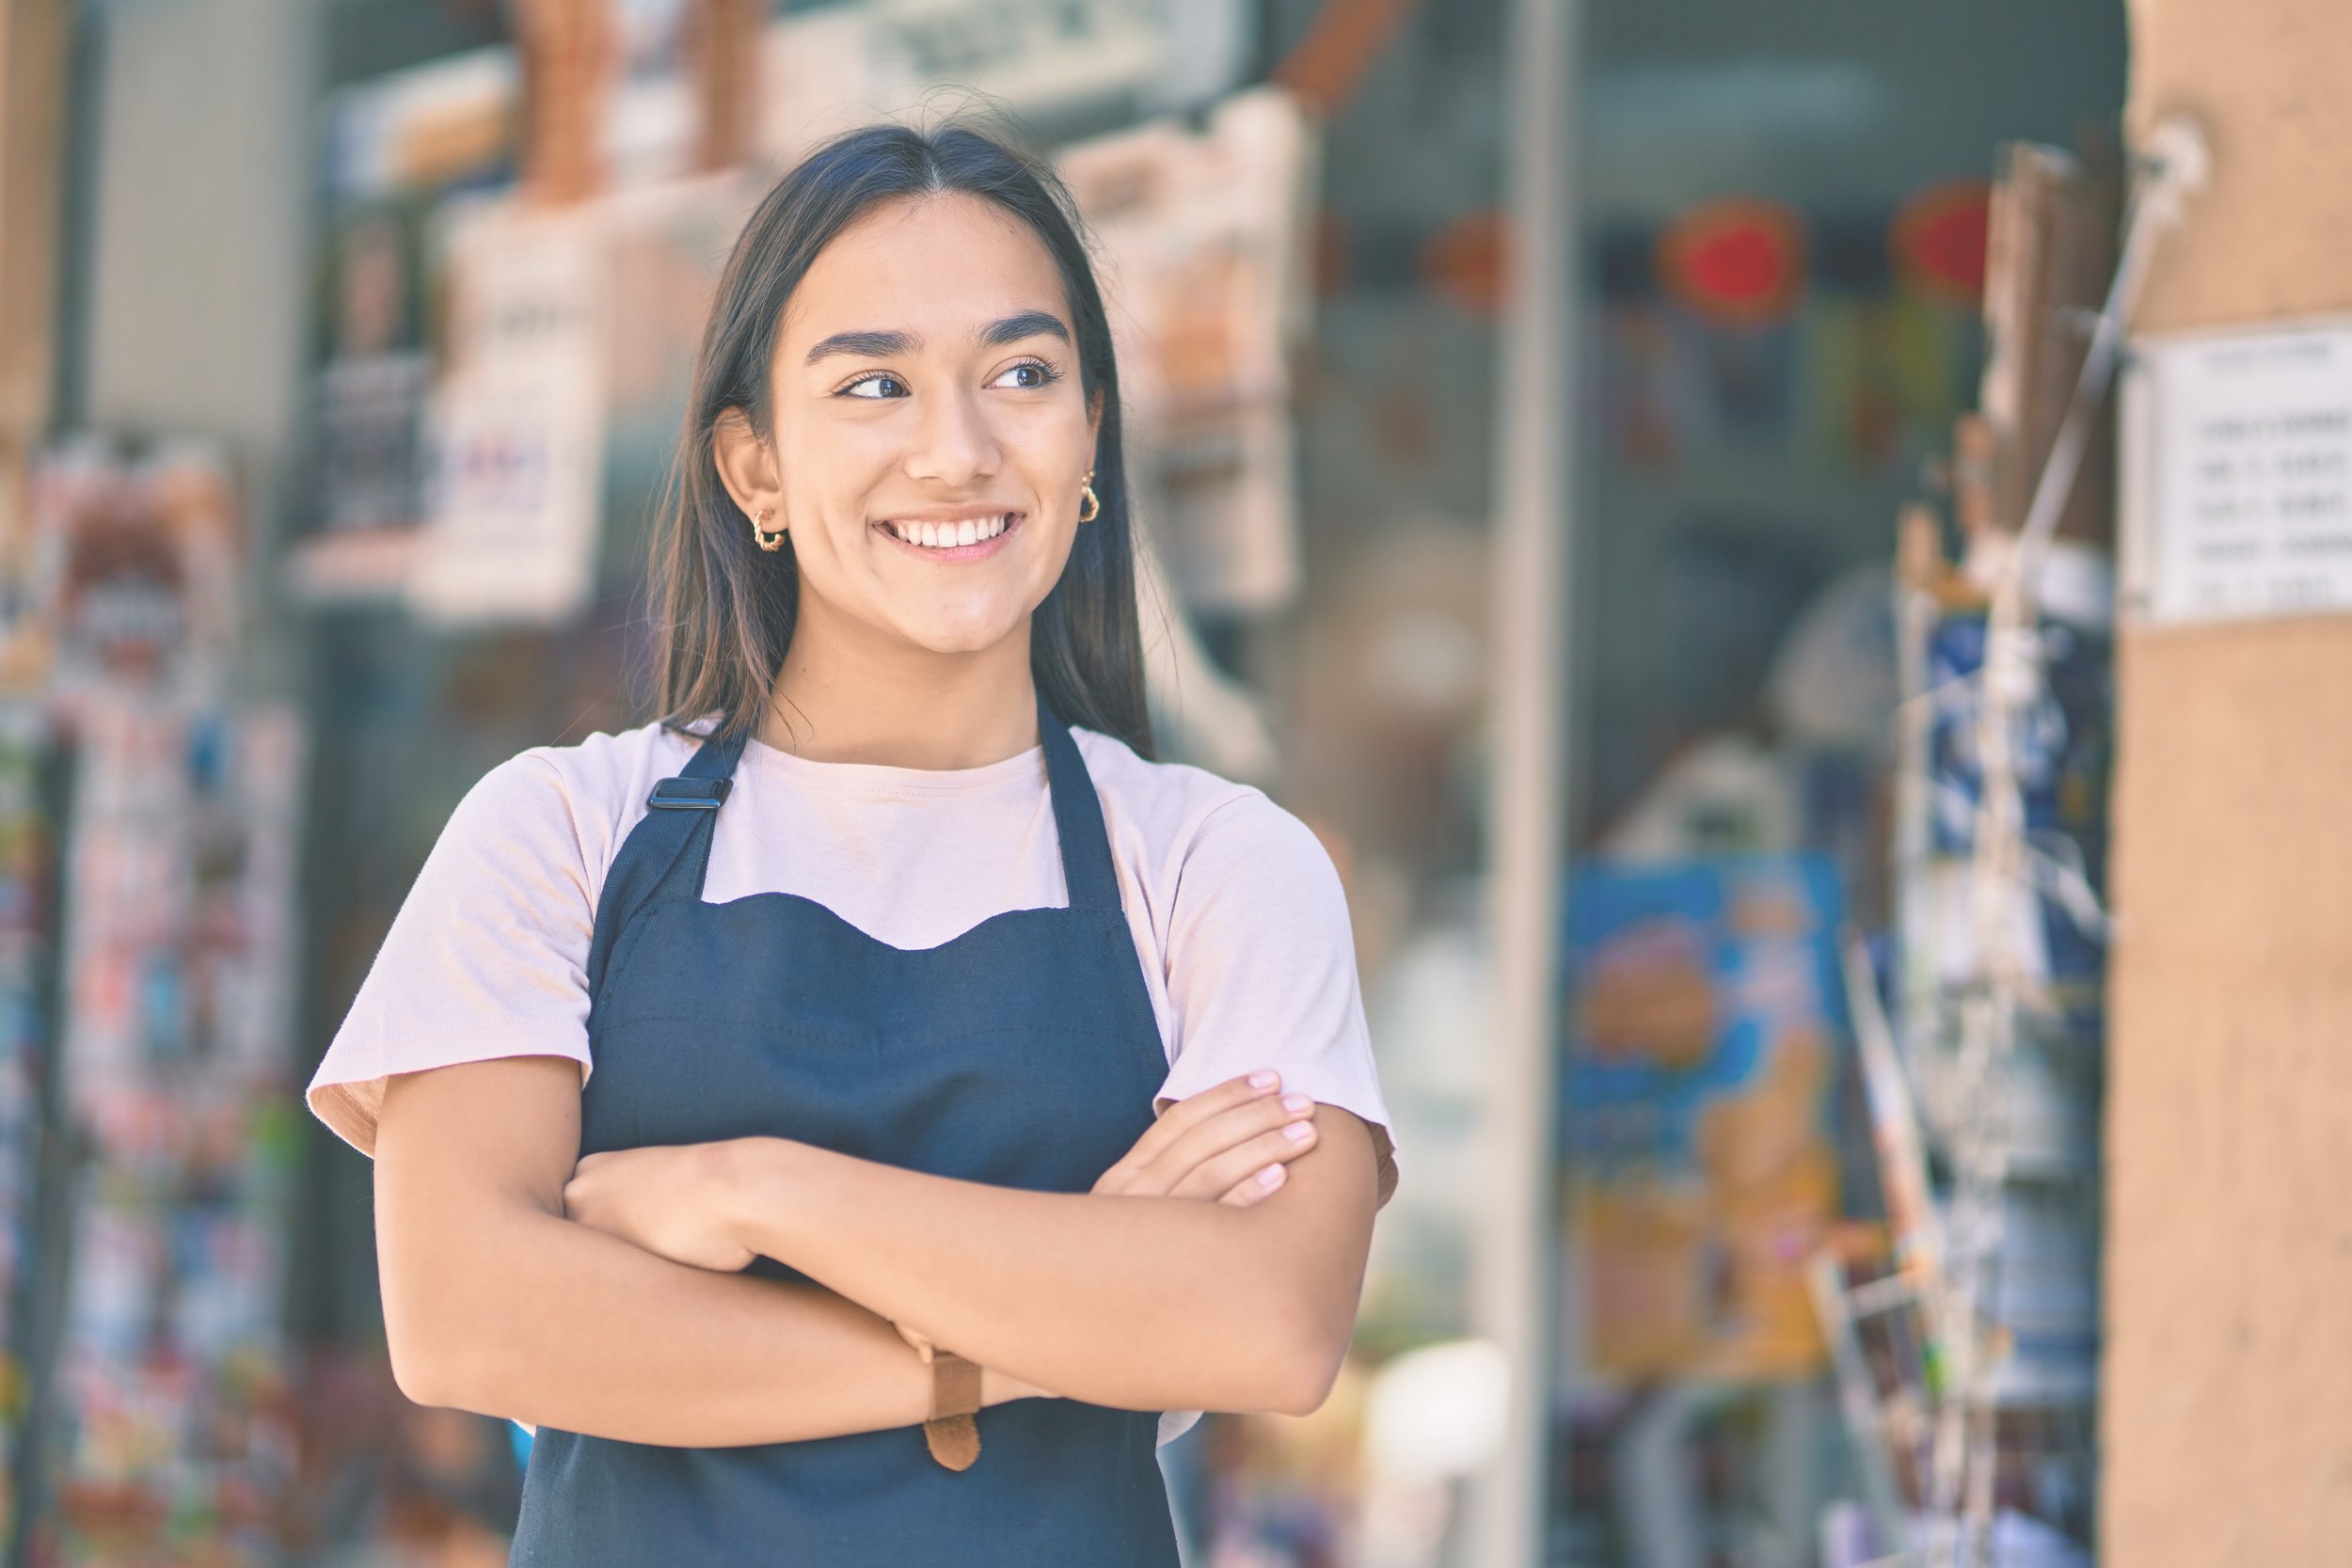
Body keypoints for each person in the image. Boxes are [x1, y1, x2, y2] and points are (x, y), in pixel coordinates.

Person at [303, 118, 1397, 1564]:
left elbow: (1265, 1324)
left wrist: (755, 1190)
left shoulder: (1219, 866)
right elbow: (467, 1319)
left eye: (1023, 374)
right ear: (753, 468)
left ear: (1088, 441)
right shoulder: (562, 834)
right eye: (874, 385)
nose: (956, 450)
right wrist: (1014, 1343)